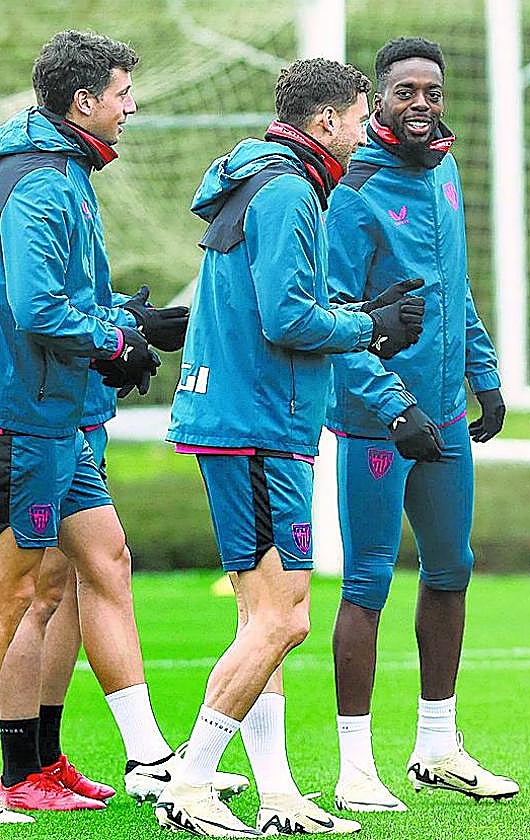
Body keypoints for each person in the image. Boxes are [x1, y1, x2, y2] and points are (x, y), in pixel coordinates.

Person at [159, 57, 425, 835]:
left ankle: (277, 795)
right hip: (257, 428)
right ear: (327, 121)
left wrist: (359, 317)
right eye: (360, 117)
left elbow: (288, 305)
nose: (366, 131)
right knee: (284, 621)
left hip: (251, 423)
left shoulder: (271, 179)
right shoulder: (287, 190)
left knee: (265, 622)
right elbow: (287, 318)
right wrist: (369, 325)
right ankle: (189, 783)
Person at [0, 30, 245, 823]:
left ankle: (138, 759)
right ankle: (15, 772)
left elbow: (61, 294)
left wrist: (131, 321)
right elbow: (36, 308)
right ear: (83, 102)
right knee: (15, 594)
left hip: (60, 413)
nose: (131, 106)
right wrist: (113, 341)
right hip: (25, 416)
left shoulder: (66, 170)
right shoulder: (40, 182)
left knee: (101, 562)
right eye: (121, 93)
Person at [324, 36, 517, 810]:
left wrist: (484, 376)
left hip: (441, 420)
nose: (421, 104)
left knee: (451, 570)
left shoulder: (445, 171)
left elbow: (452, 287)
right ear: (379, 99)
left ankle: (437, 747)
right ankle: (354, 767)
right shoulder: (353, 190)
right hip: (378, 423)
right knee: (367, 580)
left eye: (432, 92)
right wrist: (390, 405)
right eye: (406, 91)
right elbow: (333, 320)